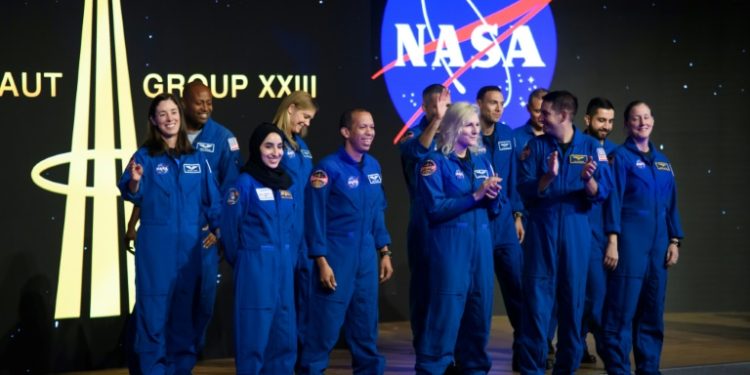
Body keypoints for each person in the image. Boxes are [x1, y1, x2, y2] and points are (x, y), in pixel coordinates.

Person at [123, 81, 241, 369]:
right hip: (156, 255)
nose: (170, 118)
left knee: (185, 322)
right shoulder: (144, 157)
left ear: (180, 115)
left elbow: (214, 204)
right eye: (162, 114)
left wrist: (223, 234)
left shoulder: (198, 160)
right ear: (153, 120)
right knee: (153, 320)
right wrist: (135, 180)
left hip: (189, 255)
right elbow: (129, 191)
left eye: (173, 112)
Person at [516, 90, 613, 374]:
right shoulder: (535, 147)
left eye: (546, 113)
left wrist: (589, 183)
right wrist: (547, 177)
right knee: (536, 311)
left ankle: (566, 369)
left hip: (576, 234)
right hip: (542, 233)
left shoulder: (593, 148)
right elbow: (523, 189)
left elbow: (603, 192)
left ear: (564, 115)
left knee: (573, 311)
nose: (540, 118)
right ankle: (532, 370)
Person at [299, 109, 393, 374]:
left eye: (372, 127)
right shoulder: (327, 169)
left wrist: (384, 250)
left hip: (366, 256)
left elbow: (377, 211)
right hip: (336, 256)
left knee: (365, 327)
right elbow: (314, 217)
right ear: (346, 132)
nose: (369, 133)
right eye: (362, 127)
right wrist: (321, 260)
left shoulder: (374, 166)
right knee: (324, 328)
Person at [415, 102, 502, 374]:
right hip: (451, 249)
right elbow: (434, 209)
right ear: (453, 126)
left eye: (477, 124)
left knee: (479, 313)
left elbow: (496, 208)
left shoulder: (482, 160)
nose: (476, 129)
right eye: (468, 124)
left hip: (481, 248)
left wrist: (492, 198)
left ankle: (474, 368)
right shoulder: (433, 163)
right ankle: (433, 367)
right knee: (445, 314)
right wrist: (475, 196)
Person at [599, 101, 684, 375]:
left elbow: (671, 204)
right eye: (636, 118)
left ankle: (649, 369)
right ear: (627, 124)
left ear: (653, 121)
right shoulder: (621, 158)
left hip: (658, 248)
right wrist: (612, 239)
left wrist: (674, 240)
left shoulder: (663, 162)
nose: (642, 122)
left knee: (652, 312)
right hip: (630, 245)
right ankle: (619, 370)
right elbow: (613, 201)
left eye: (646, 117)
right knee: (621, 313)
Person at [221, 123, 297, 374]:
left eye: (279, 147)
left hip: (284, 269)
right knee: (254, 338)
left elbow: (291, 229)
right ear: (256, 148)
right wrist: (246, 261)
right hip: (255, 269)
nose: (275, 152)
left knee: (284, 338)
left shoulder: (286, 184)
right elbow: (230, 233)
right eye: (268, 146)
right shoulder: (243, 184)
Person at [474, 86, 526, 371]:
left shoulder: (507, 134)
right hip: (479, 222)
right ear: (479, 103)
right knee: (478, 295)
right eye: (493, 102)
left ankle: (524, 352)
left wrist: (517, 215)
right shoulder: (467, 133)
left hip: (506, 223)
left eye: (501, 103)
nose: (498, 108)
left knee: (518, 289)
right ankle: (472, 358)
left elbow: (515, 178)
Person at [398, 84, 450, 352]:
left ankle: (447, 352)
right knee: (424, 290)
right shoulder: (412, 136)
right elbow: (416, 153)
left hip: (452, 224)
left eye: (448, 106)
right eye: (439, 107)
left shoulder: (453, 138)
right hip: (425, 224)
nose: (445, 111)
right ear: (426, 108)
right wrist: (439, 121)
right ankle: (425, 350)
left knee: (450, 290)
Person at [271, 91, 318, 364]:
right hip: (283, 232)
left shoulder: (302, 146)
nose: (307, 123)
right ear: (290, 109)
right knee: (283, 302)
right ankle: (280, 362)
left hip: (303, 233)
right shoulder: (272, 141)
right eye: (305, 117)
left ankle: (302, 360)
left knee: (305, 298)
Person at [580, 97, 618, 365]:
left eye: (610, 121)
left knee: (598, 298)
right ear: (587, 120)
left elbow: (616, 199)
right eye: (600, 120)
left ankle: (609, 355)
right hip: (577, 232)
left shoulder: (617, 152)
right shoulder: (577, 147)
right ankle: (577, 347)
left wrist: (613, 238)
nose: (605, 126)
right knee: (574, 297)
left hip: (602, 235)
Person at [512, 88, 547, 160]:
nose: (541, 117)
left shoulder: (559, 137)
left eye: (545, 112)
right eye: (537, 111)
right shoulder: (514, 137)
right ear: (528, 108)